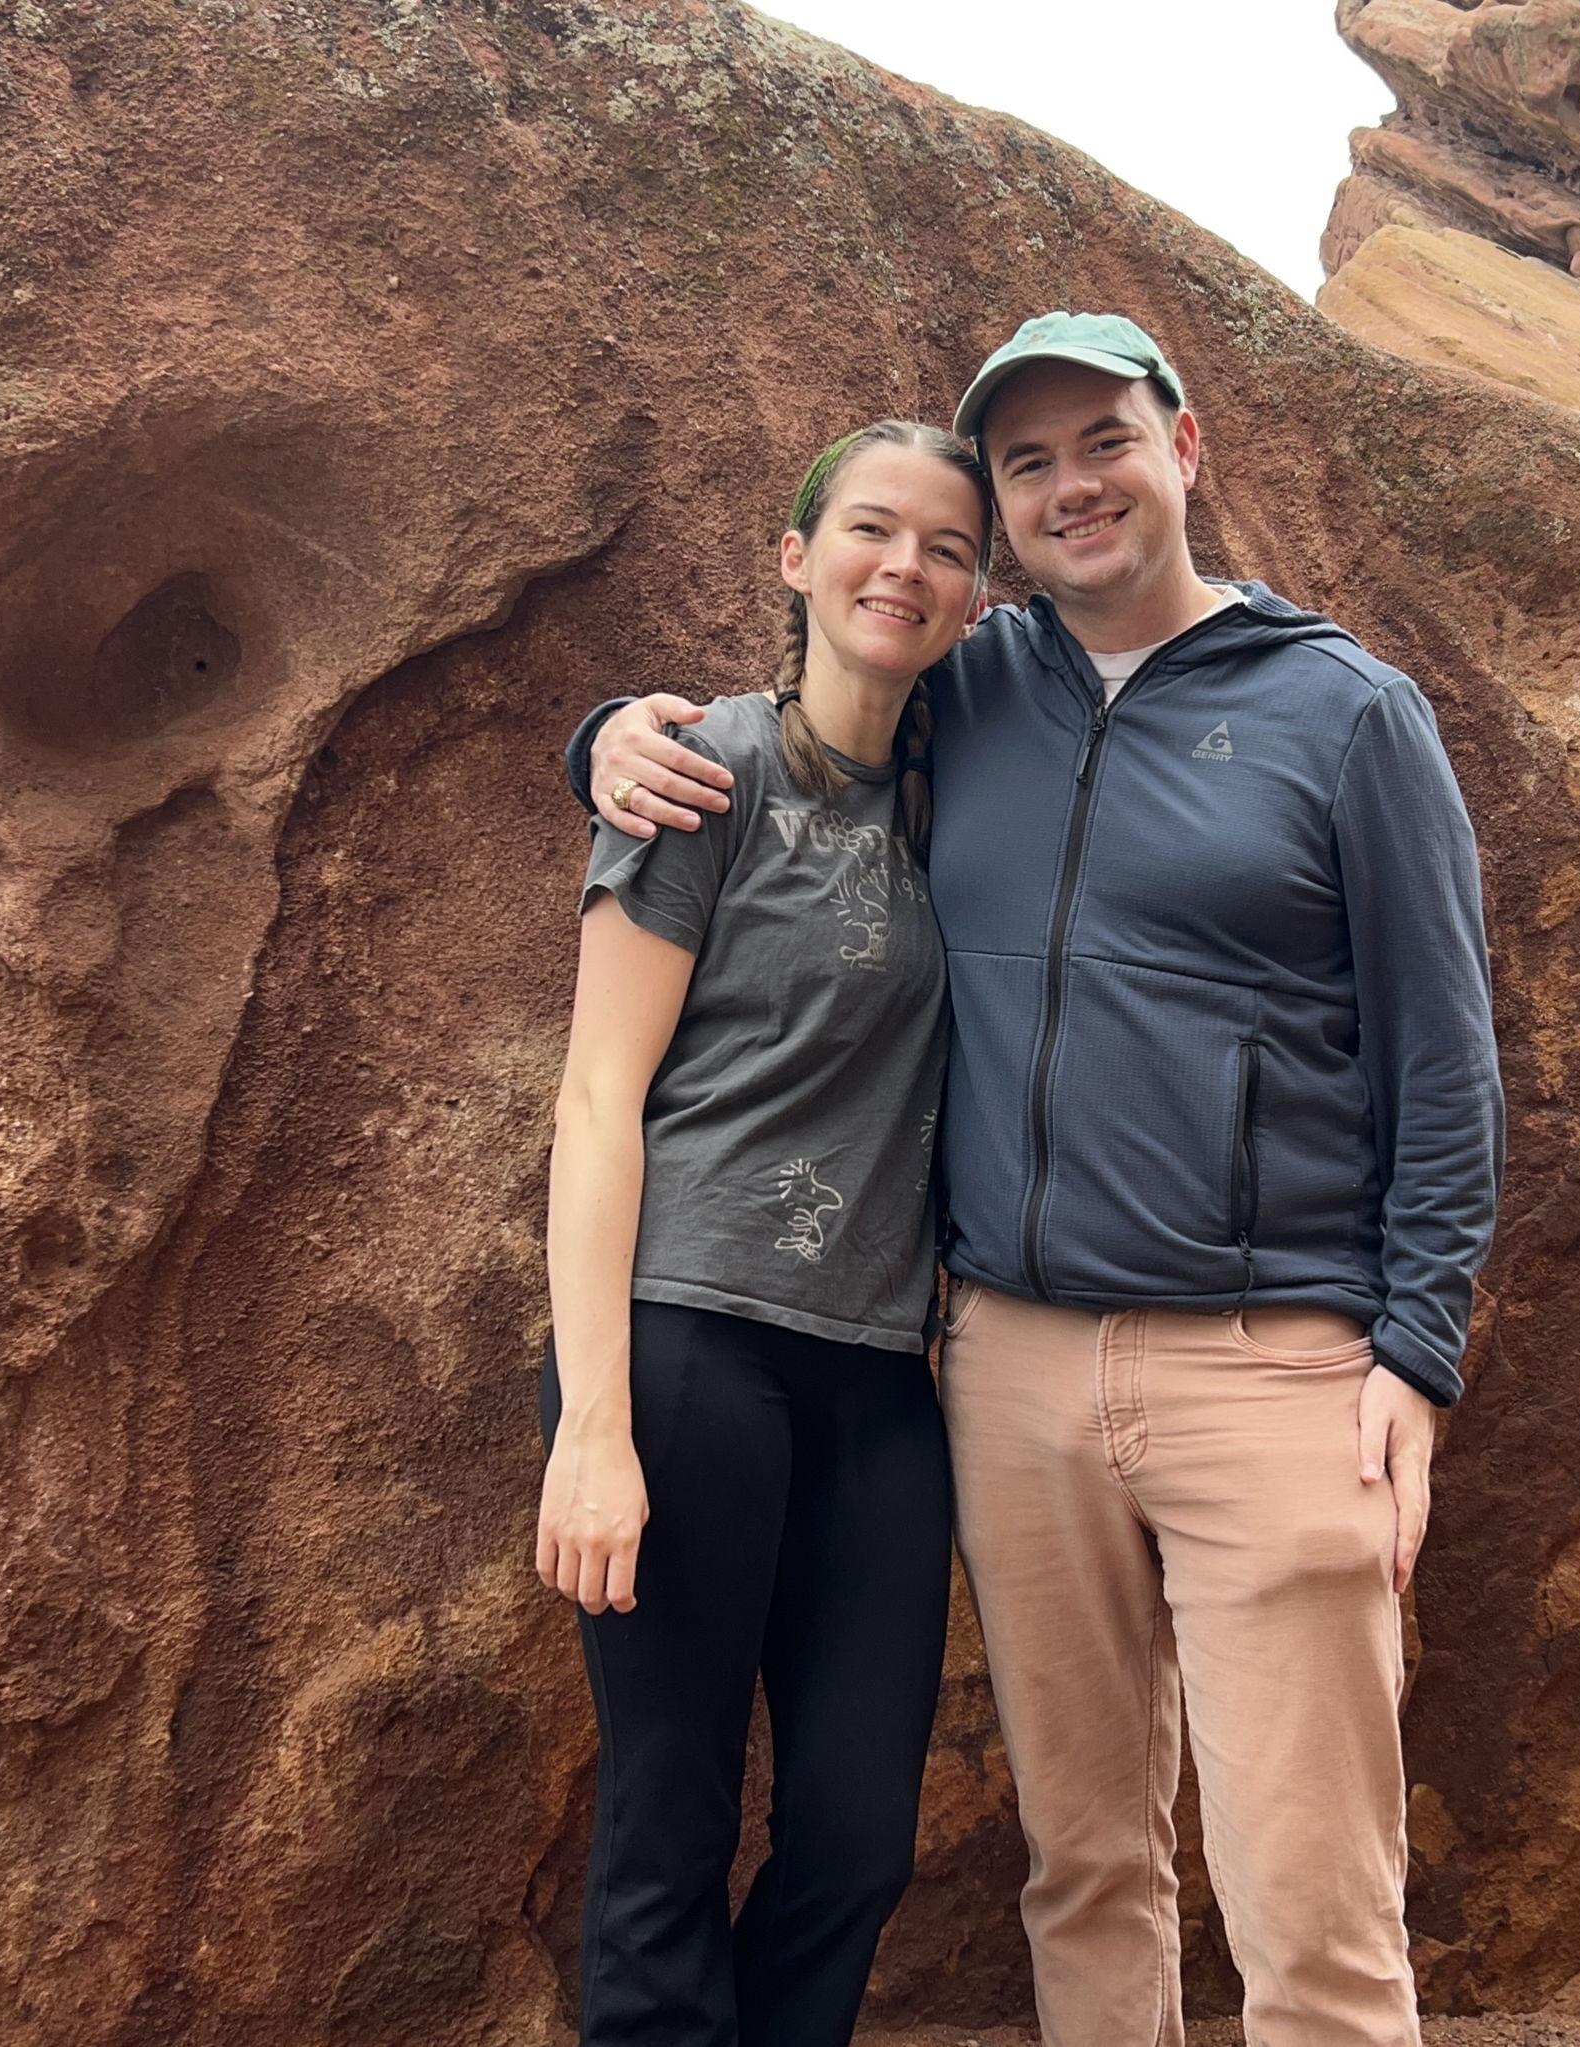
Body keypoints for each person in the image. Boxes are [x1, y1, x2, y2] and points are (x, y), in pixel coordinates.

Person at [578, 313, 1505, 2047]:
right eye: (1028, 464)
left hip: (1275, 1365)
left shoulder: (1350, 713)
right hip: (1002, 1366)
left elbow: (1446, 1054)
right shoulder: (973, 690)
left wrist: (1416, 1349)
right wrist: (606, 740)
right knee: (1084, 1870)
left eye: (1106, 441)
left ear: (1187, 448)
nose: (1070, 486)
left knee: (1313, 1912)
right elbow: (787, 724)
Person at [538, 417, 994, 2047]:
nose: (908, 566)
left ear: (974, 598)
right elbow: (600, 1099)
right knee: (666, 1829)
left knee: (860, 1842)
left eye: (950, 547)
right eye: (874, 530)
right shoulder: (697, 772)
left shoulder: (984, 789)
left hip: (881, 1385)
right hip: (684, 1348)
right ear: (797, 559)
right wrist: (594, 1426)